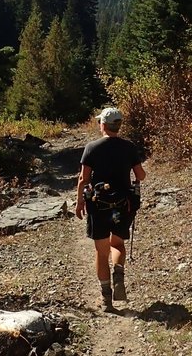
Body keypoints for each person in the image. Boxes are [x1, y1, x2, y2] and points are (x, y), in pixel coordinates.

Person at [75, 107, 146, 311]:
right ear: (119, 125)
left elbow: (83, 179)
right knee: (118, 244)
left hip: (99, 205)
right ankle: (119, 273)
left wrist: (80, 202)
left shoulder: (91, 147)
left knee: (101, 251)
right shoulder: (129, 147)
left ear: (103, 125)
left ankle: (106, 300)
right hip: (123, 204)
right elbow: (140, 176)